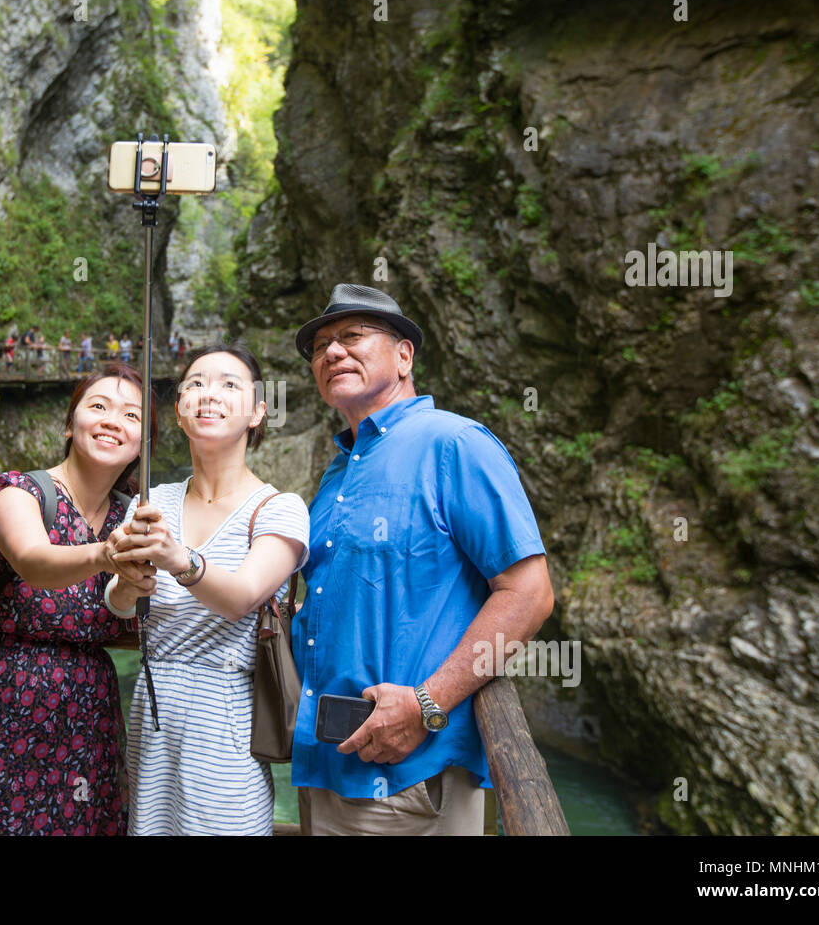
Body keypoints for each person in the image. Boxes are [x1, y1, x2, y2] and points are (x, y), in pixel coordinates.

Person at [289, 283, 553, 836]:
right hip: (325, 764)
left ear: (404, 355)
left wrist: (426, 704)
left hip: (413, 776)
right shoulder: (338, 471)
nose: (332, 352)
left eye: (352, 337)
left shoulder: (454, 444)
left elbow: (528, 592)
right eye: (321, 346)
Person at [0, 362, 159, 836]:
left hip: (86, 713)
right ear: (69, 424)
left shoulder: (131, 514)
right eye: (98, 407)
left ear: (144, 445)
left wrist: (136, 584)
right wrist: (104, 554)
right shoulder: (22, 494)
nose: (113, 420)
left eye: (132, 416)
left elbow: (125, 603)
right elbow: (34, 561)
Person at [106, 344, 310, 835]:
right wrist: (129, 584)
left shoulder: (279, 509)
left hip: (225, 718)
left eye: (229, 385)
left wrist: (179, 559)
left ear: (258, 412)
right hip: (153, 712)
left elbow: (242, 595)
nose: (208, 395)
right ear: (178, 411)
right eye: (194, 384)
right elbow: (115, 604)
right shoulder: (152, 502)